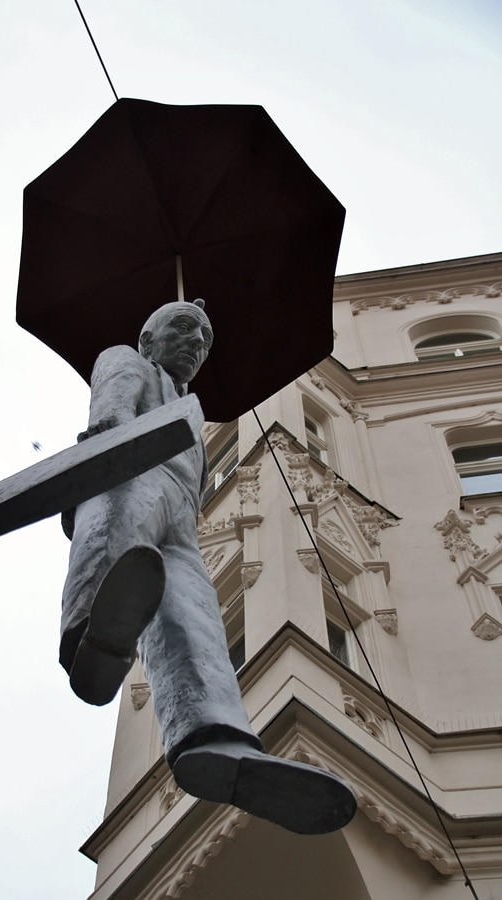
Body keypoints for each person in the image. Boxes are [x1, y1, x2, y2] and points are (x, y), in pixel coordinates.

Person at [59, 298, 356, 834]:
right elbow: (110, 414)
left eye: (205, 338)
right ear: (149, 337)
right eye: (184, 327)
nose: (197, 343)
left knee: (196, 620)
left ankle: (215, 738)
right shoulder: (128, 359)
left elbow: (196, 486)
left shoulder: (193, 410)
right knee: (117, 549)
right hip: (131, 465)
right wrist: (106, 456)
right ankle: (90, 643)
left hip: (183, 520)